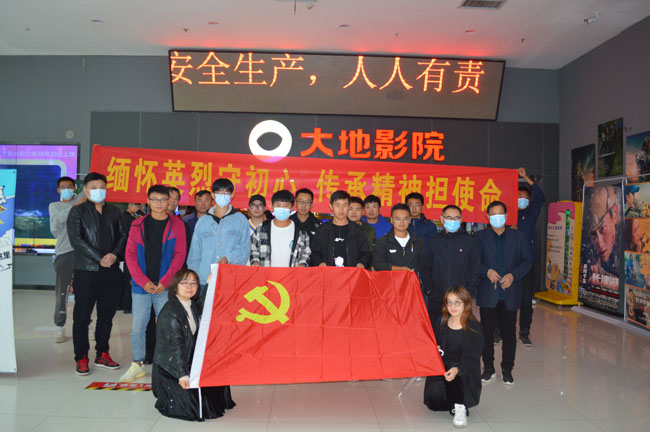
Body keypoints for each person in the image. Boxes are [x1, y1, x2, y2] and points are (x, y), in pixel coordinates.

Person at [120, 185, 187, 382]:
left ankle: (169, 364)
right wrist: (142, 281)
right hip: (141, 286)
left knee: (168, 326)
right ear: (148, 201)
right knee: (138, 327)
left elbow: (179, 255)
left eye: (163, 200)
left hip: (164, 286)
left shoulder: (177, 225)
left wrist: (165, 282)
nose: (159, 203)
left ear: (169, 201)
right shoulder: (137, 225)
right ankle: (137, 364)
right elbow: (130, 255)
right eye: (155, 199)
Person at [152, 269, 235, 421]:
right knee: (194, 407)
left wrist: (209, 282)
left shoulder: (189, 304)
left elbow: (202, 305)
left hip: (188, 359)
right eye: (184, 283)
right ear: (175, 286)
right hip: (171, 368)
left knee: (216, 378)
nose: (189, 287)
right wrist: (182, 375)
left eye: (193, 283)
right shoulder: (171, 313)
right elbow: (175, 348)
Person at [67, 172, 127, 376]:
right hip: (87, 271)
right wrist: (100, 257)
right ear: (85, 190)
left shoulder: (114, 211)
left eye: (101, 187)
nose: (98, 191)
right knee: (82, 317)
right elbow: (76, 239)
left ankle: (103, 353)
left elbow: (123, 235)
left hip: (111, 271)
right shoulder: (78, 211)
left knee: (106, 317)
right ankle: (81, 357)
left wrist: (114, 254)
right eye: (93, 187)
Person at [476, 200, 532, 385]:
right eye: (493, 214)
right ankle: (488, 368)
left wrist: (513, 275)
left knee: (509, 333)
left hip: (510, 292)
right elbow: (474, 262)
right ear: (487, 216)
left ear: (507, 216)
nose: (497, 218)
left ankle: (507, 369)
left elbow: (527, 261)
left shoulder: (519, 237)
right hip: (488, 293)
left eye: (500, 214)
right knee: (486, 333)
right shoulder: (479, 237)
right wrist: (486, 271)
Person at [424, 286, 484, 429]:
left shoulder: (474, 328)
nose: (453, 306)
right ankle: (452, 401)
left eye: (457, 302)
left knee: (455, 376)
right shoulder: (441, 322)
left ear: (466, 303)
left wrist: (458, 369)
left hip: (465, 371)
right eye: (449, 302)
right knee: (433, 401)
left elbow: (473, 357)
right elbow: (435, 344)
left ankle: (460, 406)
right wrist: (435, 349)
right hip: (444, 367)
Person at [187, 178, 250, 294]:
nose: (223, 196)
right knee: (203, 307)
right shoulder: (203, 221)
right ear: (213, 195)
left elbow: (245, 249)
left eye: (226, 193)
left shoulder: (240, 220)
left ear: (232, 196)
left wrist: (229, 258)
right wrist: (193, 278)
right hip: (204, 279)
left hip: (230, 280)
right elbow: (194, 253)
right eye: (219, 193)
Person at [421, 205, 480, 325]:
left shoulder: (470, 241)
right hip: (437, 297)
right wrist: (429, 289)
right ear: (442, 219)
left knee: (459, 329)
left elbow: (475, 269)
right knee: (437, 329)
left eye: (456, 218)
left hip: (461, 298)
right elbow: (427, 267)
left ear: (461, 220)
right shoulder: (434, 241)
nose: (453, 221)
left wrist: (468, 292)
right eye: (449, 218)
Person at [49, 176, 83, 343]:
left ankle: (87, 323)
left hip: (83, 252)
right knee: (62, 292)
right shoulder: (54, 206)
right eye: (63, 187)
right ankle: (59, 326)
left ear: (75, 188)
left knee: (85, 291)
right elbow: (57, 224)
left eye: (70, 186)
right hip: (64, 252)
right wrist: (75, 205)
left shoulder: (83, 201)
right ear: (58, 190)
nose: (67, 189)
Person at [515, 167, 546, 347]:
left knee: (526, 300)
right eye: (519, 196)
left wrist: (526, 177)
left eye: (525, 197)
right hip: (509, 263)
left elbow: (540, 197)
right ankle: (499, 331)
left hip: (527, 264)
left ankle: (524, 331)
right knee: (504, 300)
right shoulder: (507, 214)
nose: (522, 199)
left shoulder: (531, 213)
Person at [311, 190, 372, 269]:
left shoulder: (358, 230)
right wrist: (319, 262)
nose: (341, 209)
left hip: (351, 274)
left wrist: (362, 263)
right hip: (328, 273)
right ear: (331, 206)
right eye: (337, 205)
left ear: (349, 206)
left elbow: (366, 253)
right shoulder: (322, 230)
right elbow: (314, 253)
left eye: (344, 205)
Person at [250, 190, 311, 267]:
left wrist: (302, 264)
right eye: (278, 205)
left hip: (291, 273)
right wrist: (255, 262)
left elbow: (306, 253)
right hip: (267, 273)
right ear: (272, 206)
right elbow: (253, 249)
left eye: (286, 205)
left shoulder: (300, 232)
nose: (282, 209)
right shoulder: (262, 229)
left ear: (292, 208)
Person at [584, 185, 621, 292]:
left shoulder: (626, 242)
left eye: (602, 229)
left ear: (615, 213)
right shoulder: (591, 252)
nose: (599, 243)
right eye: (593, 234)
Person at [373, 203, 425, 275]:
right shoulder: (382, 242)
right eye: (398, 219)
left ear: (409, 220)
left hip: (411, 281)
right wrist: (400, 269)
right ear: (391, 220)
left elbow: (422, 265)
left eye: (405, 219)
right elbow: (378, 265)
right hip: (389, 281)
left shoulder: (418, 241)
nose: (402, 222)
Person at [120, 202, 145, 314]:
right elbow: (145, 222)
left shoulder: (132, 216)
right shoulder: (125, 218)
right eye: (137, 205)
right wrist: (137, 213)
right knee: (130, 278)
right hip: (130, 251)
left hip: (135, 251)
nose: (139, 207)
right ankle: (127, 305)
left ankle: (127, 305)